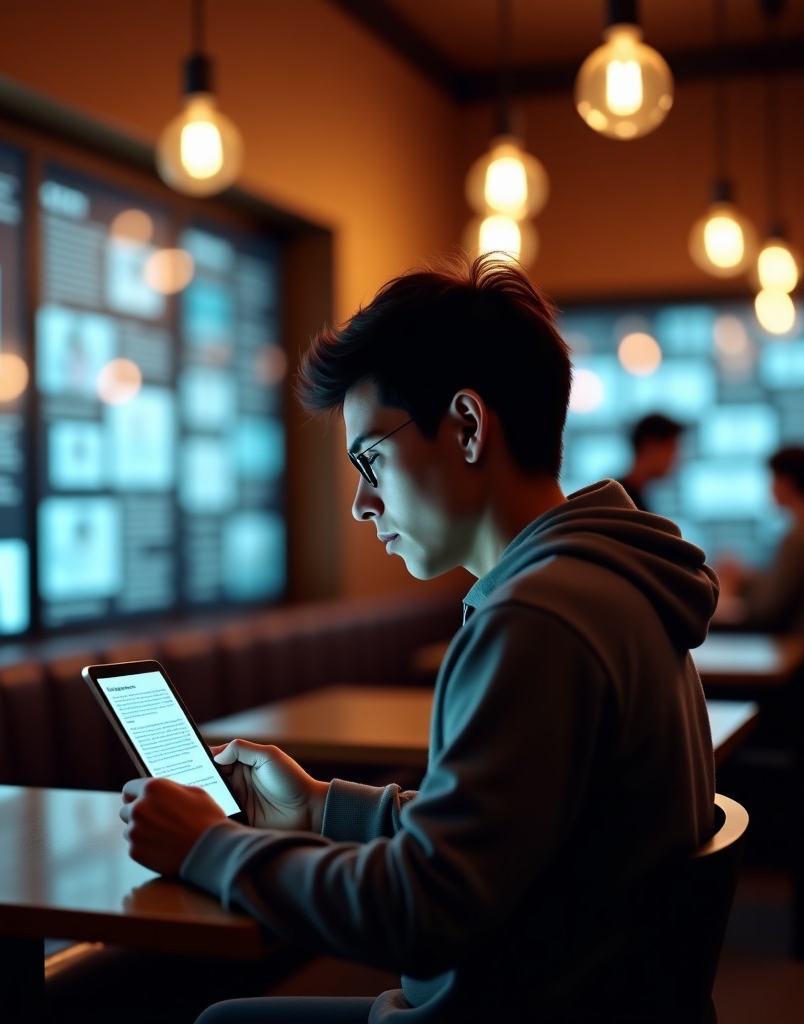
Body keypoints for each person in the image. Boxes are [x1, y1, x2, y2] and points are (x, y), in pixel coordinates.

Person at [119, 255, 718, 1022]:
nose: (361, 504)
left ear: (467, 426)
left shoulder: (537, 621)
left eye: (370, 459)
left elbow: (421, 909)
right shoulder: (606, 582)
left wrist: (208, 847)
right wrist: (316, 808)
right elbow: (502, 837)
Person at [716, 445, 804, 635]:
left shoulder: (796, 537)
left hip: (792, 642)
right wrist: (744, 578)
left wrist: (741, 585)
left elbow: (768, 607)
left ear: (787, 482)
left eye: (773, 479)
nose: (770, 488)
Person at [616, 412, 684, 512]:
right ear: (650, 446)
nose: (676, 459)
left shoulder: (630, 498)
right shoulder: (616, 499)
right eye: (671, 449)